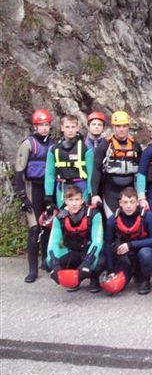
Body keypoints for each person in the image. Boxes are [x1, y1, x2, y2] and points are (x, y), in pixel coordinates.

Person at [15, 109, 55, 283]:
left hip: (47, 189)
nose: (44, 128)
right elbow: (19, 173)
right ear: (35, 126)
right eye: (41, 125)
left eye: (46, 125)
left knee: (47, 226)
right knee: (34, 229)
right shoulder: (28, 144)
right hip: (32, 189)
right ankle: (32, 270)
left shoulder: (53, 144)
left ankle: (46, 261)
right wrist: (23, 197)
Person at [46, 185, 103, 292]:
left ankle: (94, 278)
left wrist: (87, 261)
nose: (74, 203)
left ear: (82, 200)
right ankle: (73, 277)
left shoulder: (94, 215)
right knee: (49, 261)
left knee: (100, 259)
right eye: (71, 200)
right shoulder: (59, 218)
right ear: (65, 201)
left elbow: (97, 241)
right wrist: (55, 265)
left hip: (89, 250)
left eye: (77, 199)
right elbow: (53, 243)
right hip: (73, 250)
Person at [104, 187, 152, 294]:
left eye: (132, 202)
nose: (128, 206)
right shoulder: (113, 219)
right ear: (120, 203)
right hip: (125, 257)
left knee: (146, 254)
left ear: (137, 203)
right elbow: (108, 244)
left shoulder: (147, 216)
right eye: (125, 202)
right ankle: (130, 273)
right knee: (114, 287)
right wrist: (110, 270)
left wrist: (130, 245)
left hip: (143, 251)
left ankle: (145, 280)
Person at [91, 111, 142, 218]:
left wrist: (142, 195)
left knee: (130, 223)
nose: (121, 129)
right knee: (111, 222)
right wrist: (95, 194)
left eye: (124, 126)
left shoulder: (135, 145)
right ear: (113, 127)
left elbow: (141, 172)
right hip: (110, 191)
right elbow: (96, 170)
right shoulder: (105, 145)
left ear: (128, 127)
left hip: (130, 191)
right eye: (118, 126)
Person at [44, 115, 93, 208]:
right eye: (67, 127)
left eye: (73, 127)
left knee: (83, 217)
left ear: (77, 128)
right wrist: (48, 195)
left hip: (81, 186)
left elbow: (91, 173)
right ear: (62, 128)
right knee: (63, 216)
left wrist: (91, 193)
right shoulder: (53, 149)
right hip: (62, 187)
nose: (70, 130)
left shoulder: (86, 149)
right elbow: (49, 174)